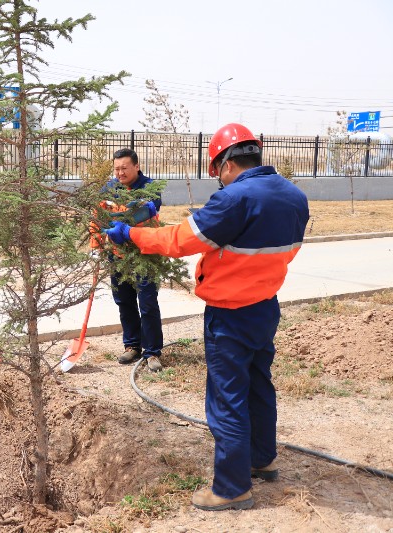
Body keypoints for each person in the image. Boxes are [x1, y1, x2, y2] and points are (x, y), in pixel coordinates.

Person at [103, 123, 309, 511]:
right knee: (258, 385)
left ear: (226, 164)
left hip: (230, 313)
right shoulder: (294, 196)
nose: (220, 180)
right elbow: (286, 248)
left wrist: (130, 234)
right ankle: (262, 459)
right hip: (265, 306)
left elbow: (179, 240)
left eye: (218, 172)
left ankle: (231, 488)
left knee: (227, 397)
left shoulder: (235, 198)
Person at [94, 148, 164, 371]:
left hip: (145, 254)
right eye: (116, 169)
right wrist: (97, 242)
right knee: (124, 301)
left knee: (147, 302)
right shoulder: (109, 188)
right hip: (117, 255)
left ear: (136, 166)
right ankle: (132, 345)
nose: (120, 173)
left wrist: (121, 221)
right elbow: (97, 214)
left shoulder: (149, 187)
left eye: (124, 168)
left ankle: (152, 352)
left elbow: (148, 210)